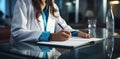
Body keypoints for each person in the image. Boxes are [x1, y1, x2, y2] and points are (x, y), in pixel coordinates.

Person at [9, 0, 91, 59]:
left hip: (48, 53)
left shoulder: (53, 6)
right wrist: (50, 36)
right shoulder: (23, 2)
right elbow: (17, 32)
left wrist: (77, 33)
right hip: (26, 52)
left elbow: (61, 25)